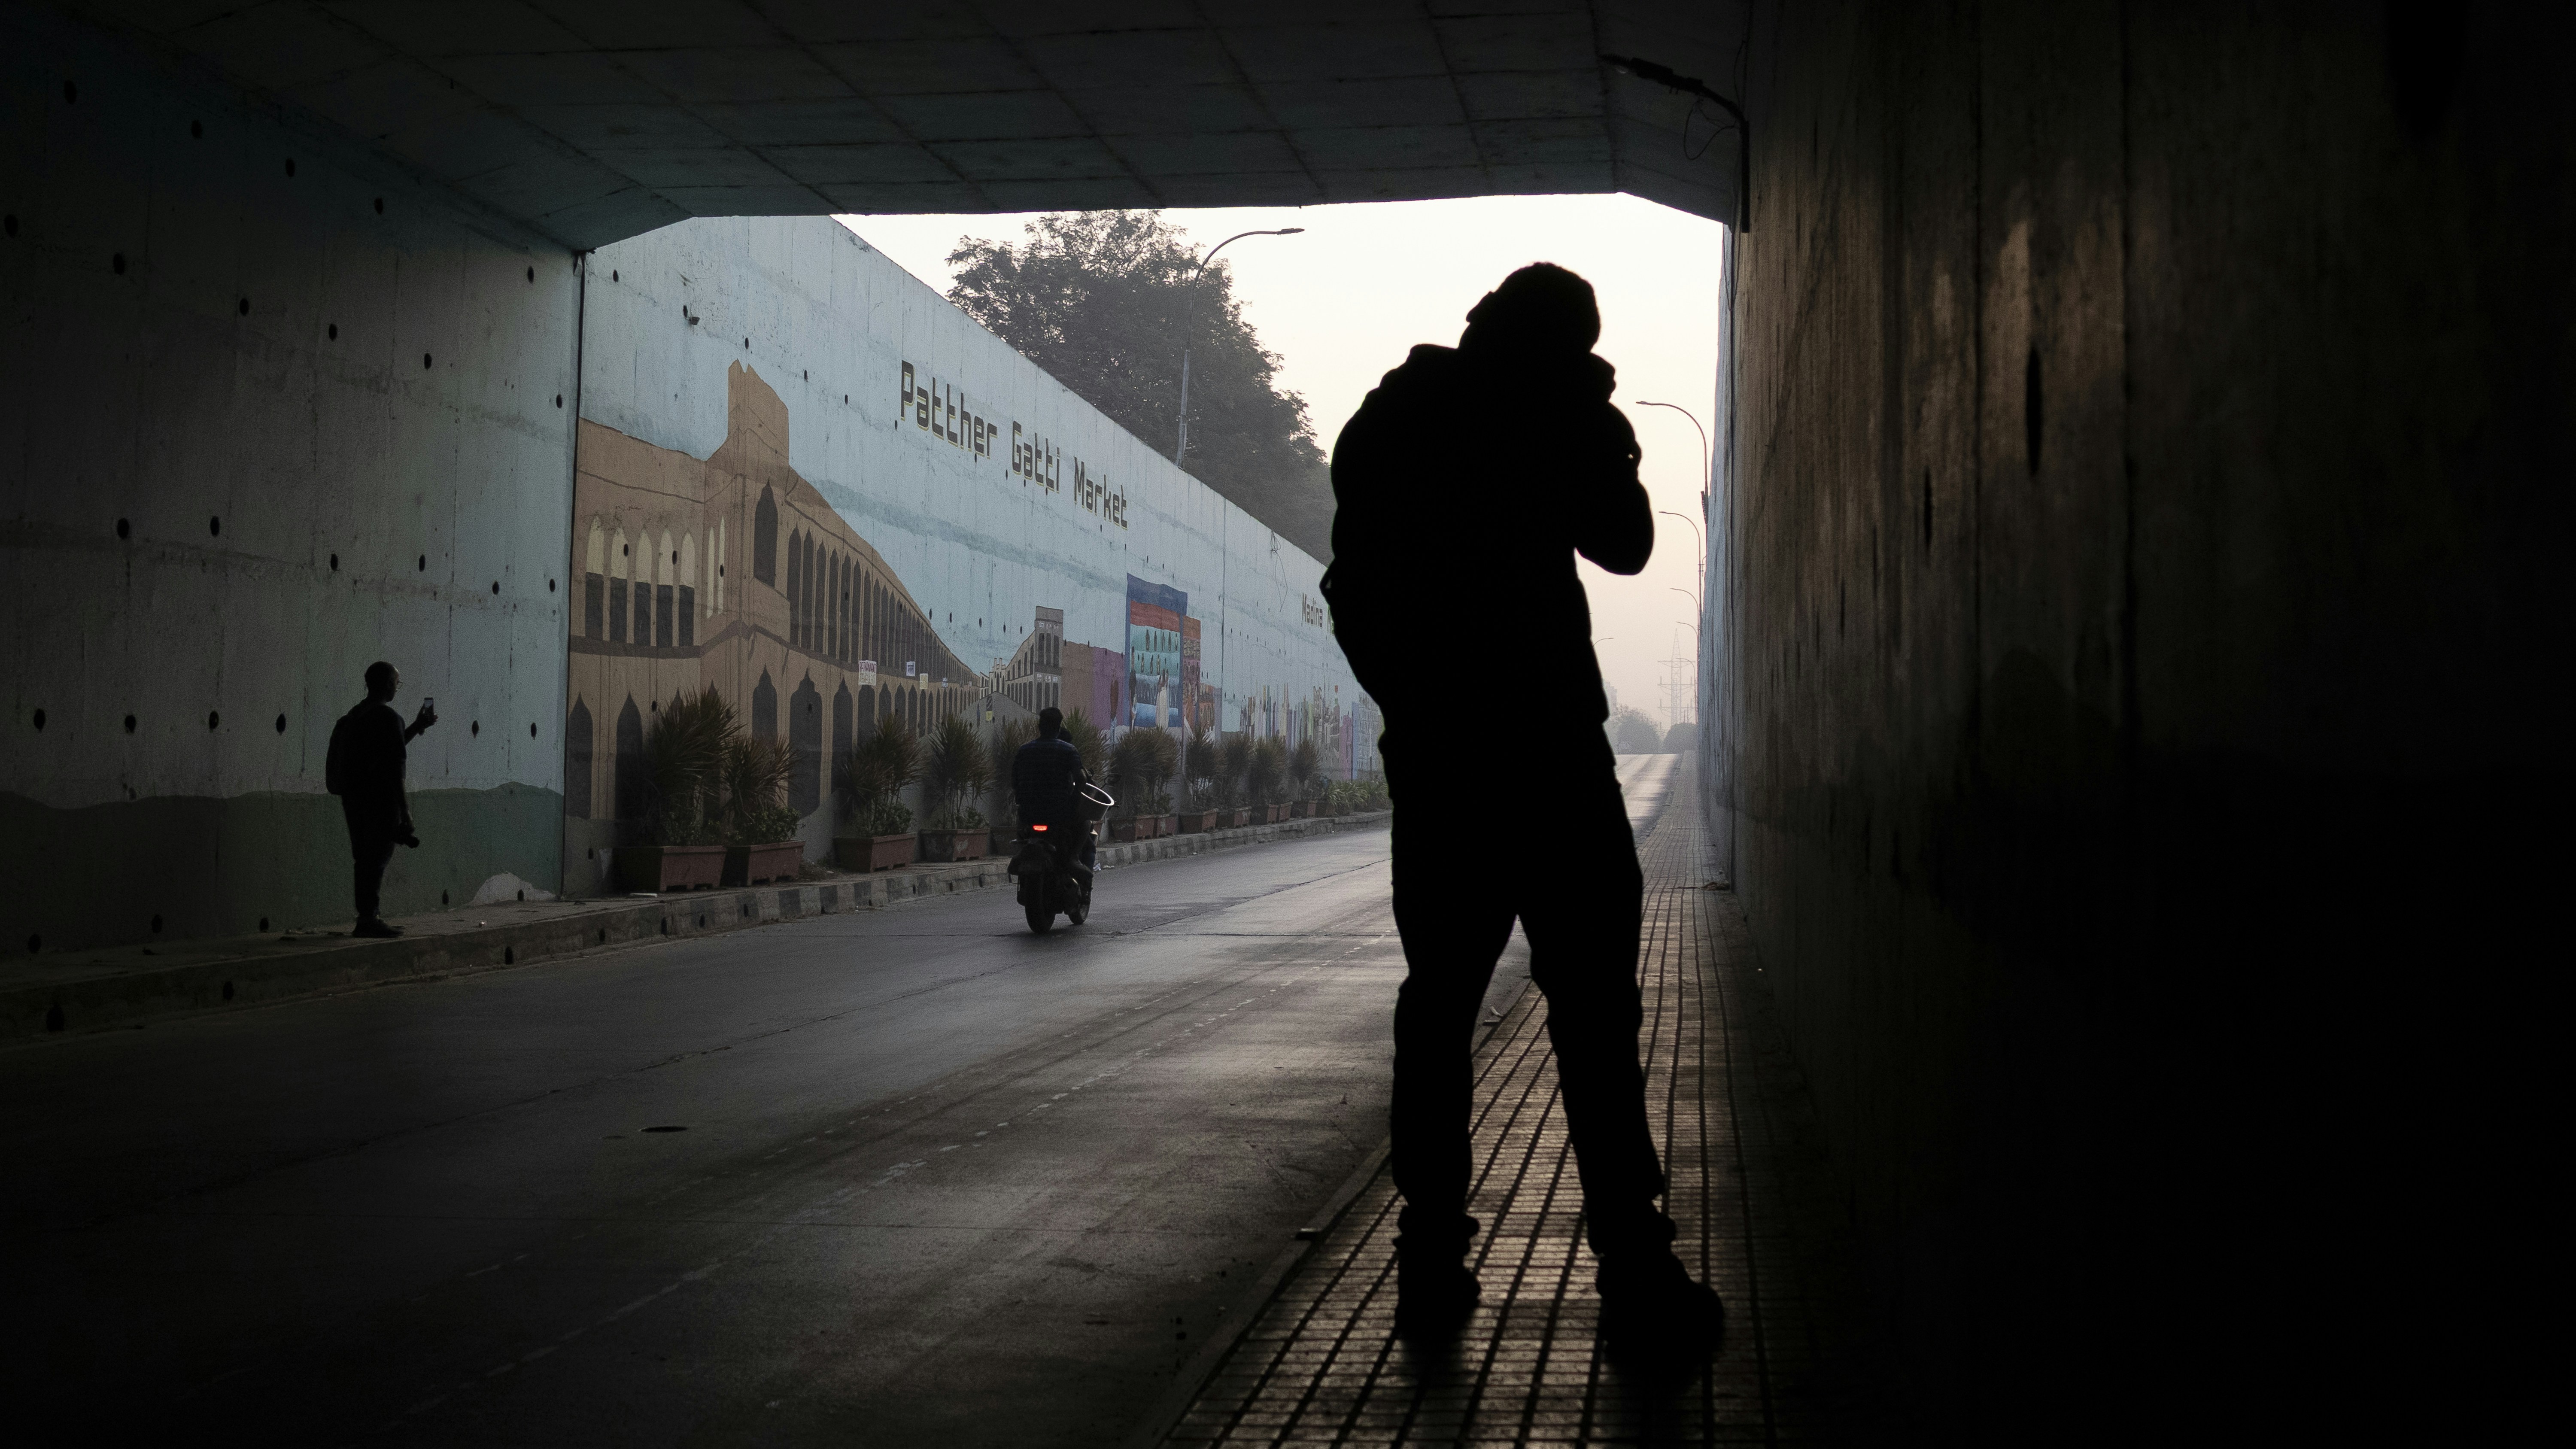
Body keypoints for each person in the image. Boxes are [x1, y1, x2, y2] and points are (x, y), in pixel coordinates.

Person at [1322, 263, 1725, 1344]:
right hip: (1550, 756)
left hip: (1448, 768)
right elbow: (1627, 543)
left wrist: (1416, 706)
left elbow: (1351, 591)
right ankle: (1632, 1262)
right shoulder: (1554, 413)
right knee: (1594, 1012)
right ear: (1561, 345)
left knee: (1441, 1008)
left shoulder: (1395, 418)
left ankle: (1430, 1258)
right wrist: (1599, 421)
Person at [328, 661, 435, 938]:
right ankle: (369, 920)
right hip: (381, 801)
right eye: (397, 683)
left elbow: (385, 751)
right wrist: (406, 811)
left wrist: (415, 727)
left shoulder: (355, 716)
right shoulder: (389, 718)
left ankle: (367, 917)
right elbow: (394, 766)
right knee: (377, 859)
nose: (397, 688)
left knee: (363, 858)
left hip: (354, 800)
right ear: (388, 684)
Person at [1011, 706, 1094, 873]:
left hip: (1029, 812)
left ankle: (1020, 853)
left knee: (1021, 828)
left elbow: (1014, 780)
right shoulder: (1069, 750)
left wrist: (1023, 797)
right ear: (1059, 727)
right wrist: (1075, 801)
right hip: (1060, 814)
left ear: (1039, 727)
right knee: (1086, 824)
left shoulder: (1024, 750)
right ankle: (1073, 858)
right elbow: (1081, 780)